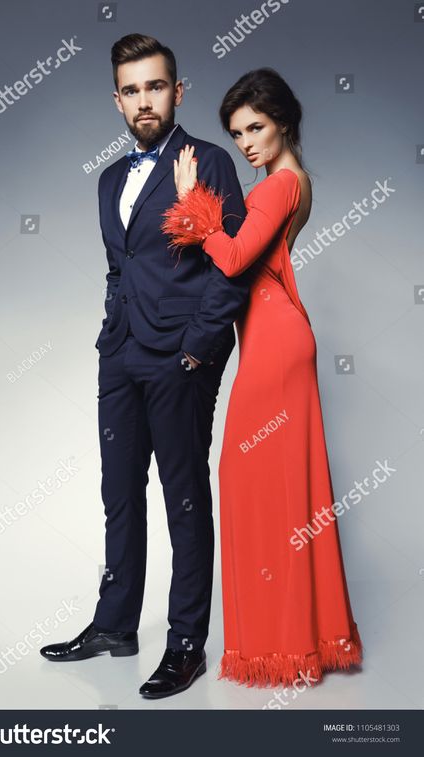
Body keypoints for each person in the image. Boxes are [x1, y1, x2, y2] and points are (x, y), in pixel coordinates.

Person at [40, 33, 250, 700]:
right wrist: (111, 333)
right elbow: (121, 265)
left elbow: (233, 266)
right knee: (119, 494)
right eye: (131, 89)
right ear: (117, 100)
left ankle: (185, 644)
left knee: (184, 501)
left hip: (179, 360)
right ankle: (114, 625)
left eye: (156, 85)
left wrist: (198, 349)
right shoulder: (109, 179)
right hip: (121, 355)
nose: (144, 100)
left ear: (178, 91)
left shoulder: (209, 161)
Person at [161, 67, 363, 687]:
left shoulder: (278, 185)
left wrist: (193, 199)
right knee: (284, 489)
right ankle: (304, 637)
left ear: (283, 122)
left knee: (253, 484)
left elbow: (233, 258)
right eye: (236, 132)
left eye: (255, 127)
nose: (245, 142)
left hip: (275, 344)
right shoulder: (290, 181)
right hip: (278, 337)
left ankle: (279, 645)